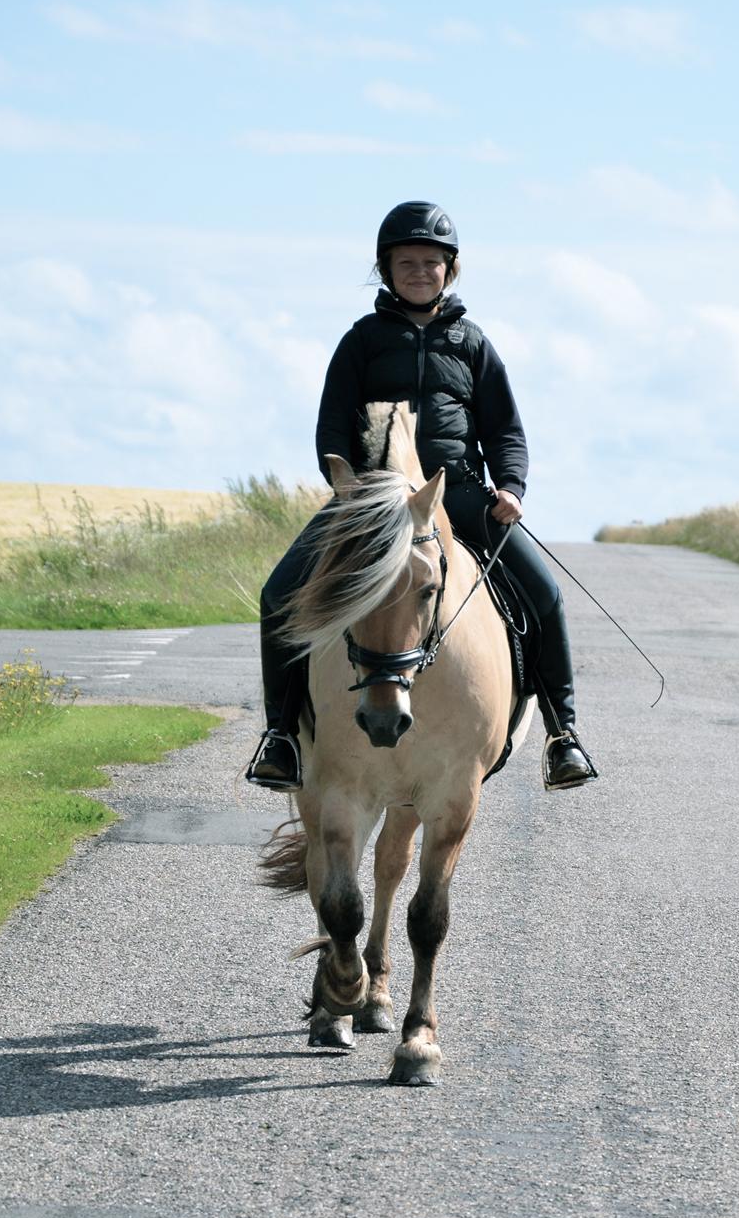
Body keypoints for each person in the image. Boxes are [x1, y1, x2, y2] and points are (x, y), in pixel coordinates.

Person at [246, 200, 597, 792]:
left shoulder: (473, 344)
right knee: (280, 591)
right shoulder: (360, 341)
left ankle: (563, 735)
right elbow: (332, 423)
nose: (419, 271)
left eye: (432, 262)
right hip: (372, 502)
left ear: (449, 269)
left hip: (456, 495)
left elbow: (507, 432)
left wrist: (510, 488)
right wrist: (344, 483)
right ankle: (280, 736)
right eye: (406, 261)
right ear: (386, 269)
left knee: (546, 595)